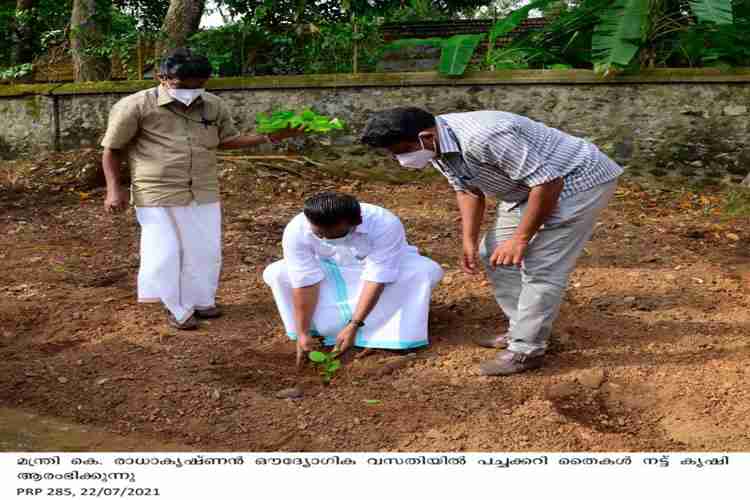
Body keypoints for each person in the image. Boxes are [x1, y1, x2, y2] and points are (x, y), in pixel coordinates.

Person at [360, 108, 623, 375]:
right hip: (526, 188)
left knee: (542, 267)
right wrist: (469, 241)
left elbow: (548, 183)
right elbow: (467, 190)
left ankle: (526, 350)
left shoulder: (485, 137)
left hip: (577, 181)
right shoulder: (437, 144)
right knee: (494, 253)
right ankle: (523, 329)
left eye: (401, 150)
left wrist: (521, 238)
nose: (399, 158)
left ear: (425, 136)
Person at [101, 47, 301, 330]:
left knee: (205, 250)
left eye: (200, 84)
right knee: (164, 251)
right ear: (162, 77)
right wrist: (114, 189)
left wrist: (270, 136)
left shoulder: (213, 105)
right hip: (157, 190)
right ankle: (177, 308)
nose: (191, 91)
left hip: (203, 187)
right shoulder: (135, 105)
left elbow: (227, 140)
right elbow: (112, 150)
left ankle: (201, 299)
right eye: (182, 85)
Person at [263, 192, 444, 361]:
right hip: (329, 268)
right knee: (277, 273)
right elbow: (304, 279)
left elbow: (377, 276)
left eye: (330, 233)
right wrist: (302, 331)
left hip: (377, 267)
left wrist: (354, 324)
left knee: (423, 271)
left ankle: (388, 333)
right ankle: (315, 331)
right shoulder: (297, 229)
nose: (323, 237)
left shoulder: (384, 223)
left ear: (353, 224)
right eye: (318, 233)